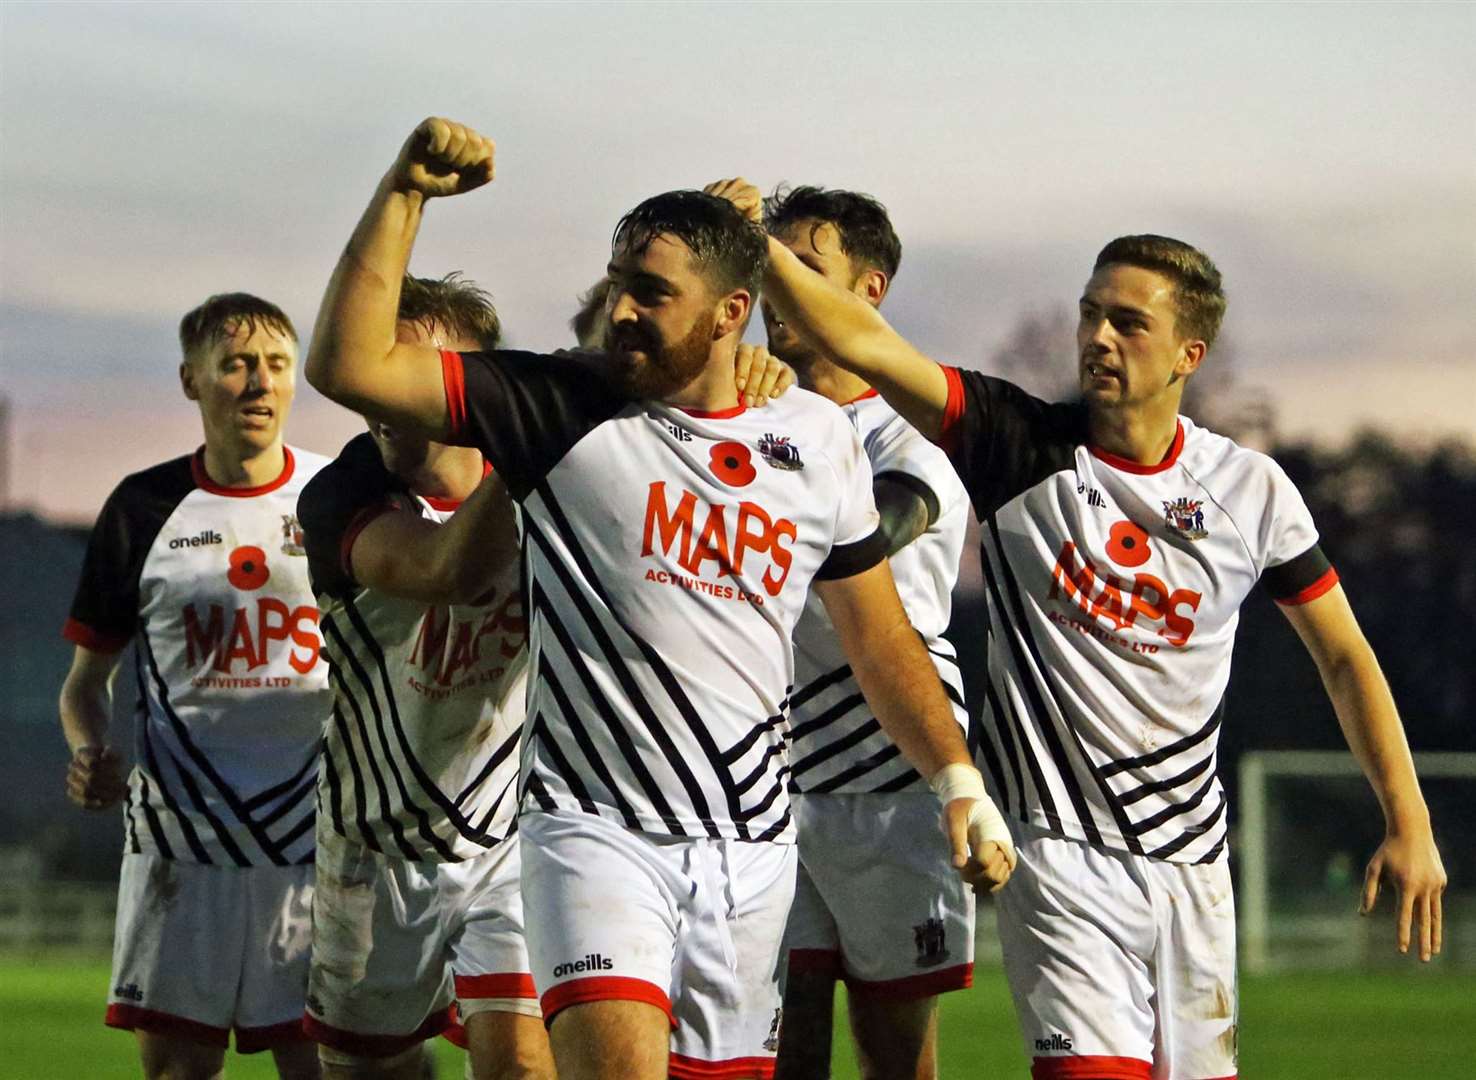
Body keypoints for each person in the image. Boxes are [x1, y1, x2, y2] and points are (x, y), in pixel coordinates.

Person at [304, 117, 1015, 1080]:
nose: (625, 311)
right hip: (592, 830)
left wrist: (959, 783)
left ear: (731, 314)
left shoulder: (814, 440)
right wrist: (404, 195)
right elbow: (349, 367)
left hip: (751, 843)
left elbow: (881, 637)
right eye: (621, 286)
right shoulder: (559, 405)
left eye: (654, 294)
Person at [713, 183, 1449, 1080]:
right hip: (1059, 863)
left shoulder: (1251, 491)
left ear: (1190, 352)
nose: (1099, 337)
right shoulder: (1013, 446)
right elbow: (863, 339)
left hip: (1195, 873)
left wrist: (1408, 820)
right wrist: (753, 246)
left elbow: (1343, 656)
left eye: (1129, 322)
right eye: (1090, 315)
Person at [59, 293, 330, 1080]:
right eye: (237, 365)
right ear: (192, 381)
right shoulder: (141, 508)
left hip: (314, 835)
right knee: (178, 1073)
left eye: (277, 365)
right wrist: (89, 752)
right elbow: (85, 683)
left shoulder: (336, 497)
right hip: (182, 838)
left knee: (320, 1069)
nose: (259, 384)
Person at [297, 272, 555, 1079]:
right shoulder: (340, 496)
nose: (382, 395)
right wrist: (535, 441)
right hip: (376, 844)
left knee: (521, 1062)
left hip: (518, 836)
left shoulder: (561, 492)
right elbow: (446, 568)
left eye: (406, 372)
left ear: (469, 390)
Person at [749, 185, 974, 1080]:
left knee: (893, 1054)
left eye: (805, 268)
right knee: (779, 1044)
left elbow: (868, 539)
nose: (777, 291)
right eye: (766, 266)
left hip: (891, 782)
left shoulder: (910, 432)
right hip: (767, 779)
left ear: (869, 290)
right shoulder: (749, 421)